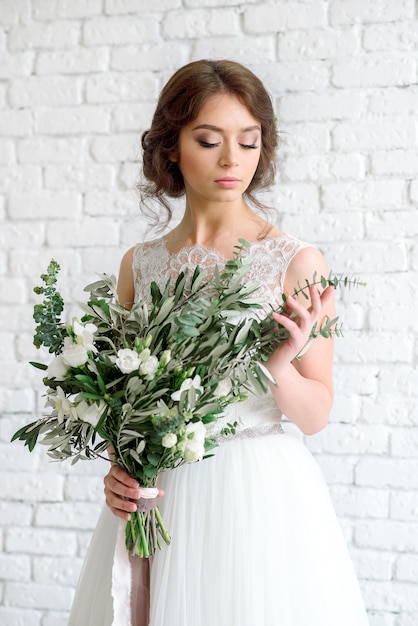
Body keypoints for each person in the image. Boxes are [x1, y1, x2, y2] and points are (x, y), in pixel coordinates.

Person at [68, 59, 369, 626]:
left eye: (248, 141)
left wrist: (277, 367)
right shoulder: (142, 263)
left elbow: (317, 415)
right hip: (162, 491)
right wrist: (119, 468)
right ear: (171, 148)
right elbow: (127, 399)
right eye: (209, 140)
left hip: (256, 495)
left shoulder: (299, 262)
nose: (233, 159)